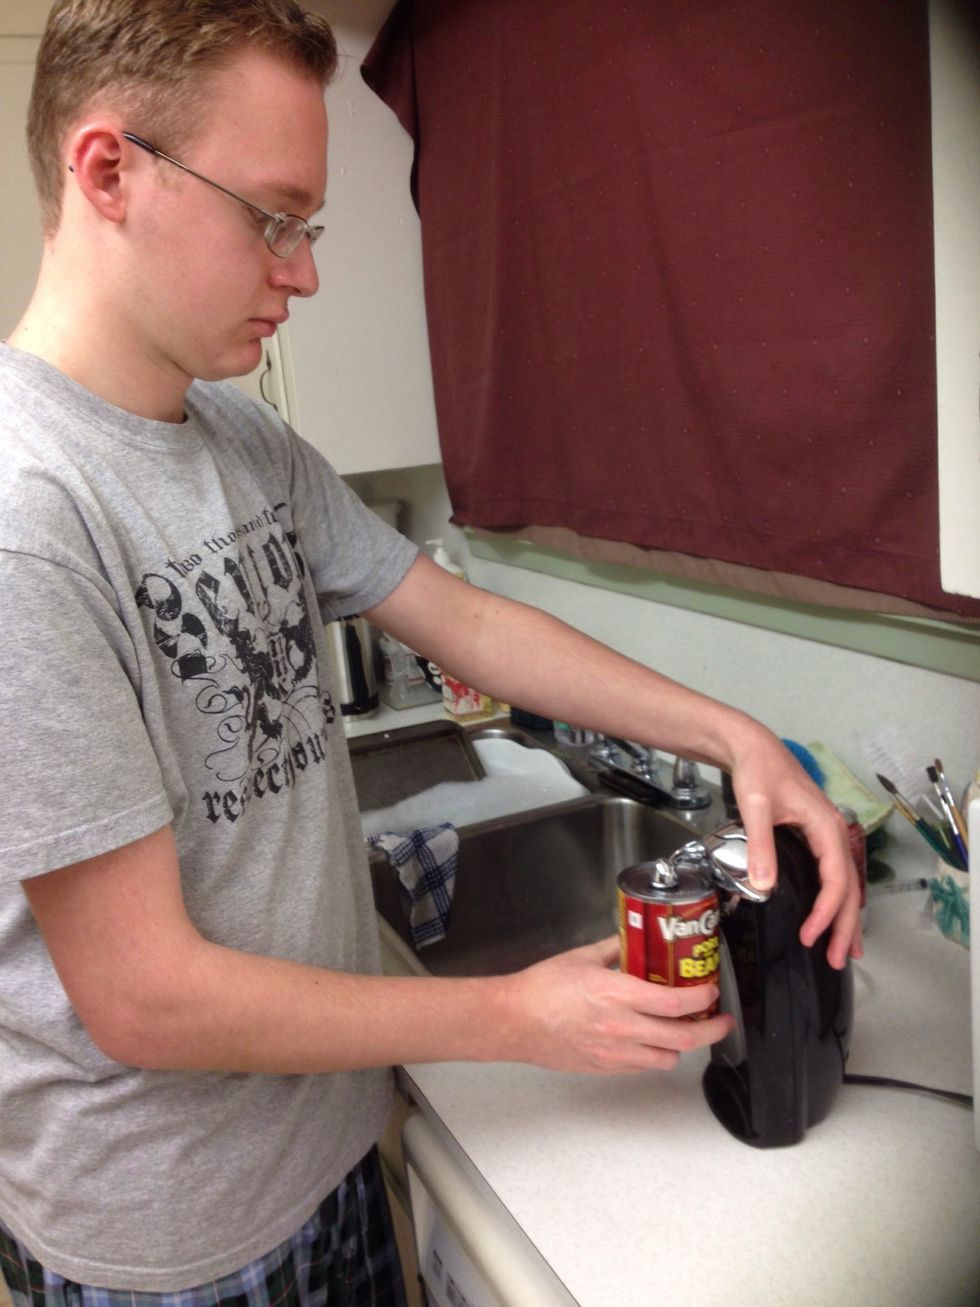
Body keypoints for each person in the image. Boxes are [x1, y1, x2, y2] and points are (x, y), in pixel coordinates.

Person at [0, 0, 862, 1301]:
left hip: (328, 1134)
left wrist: (733, 735)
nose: (305, 272)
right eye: (272, 217)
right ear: (110, 170)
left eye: (312, 227)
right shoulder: (29, 516)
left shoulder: (242, 441)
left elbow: (464, 619)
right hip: (175, 1234)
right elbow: (145, 998)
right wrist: (512, 1016)